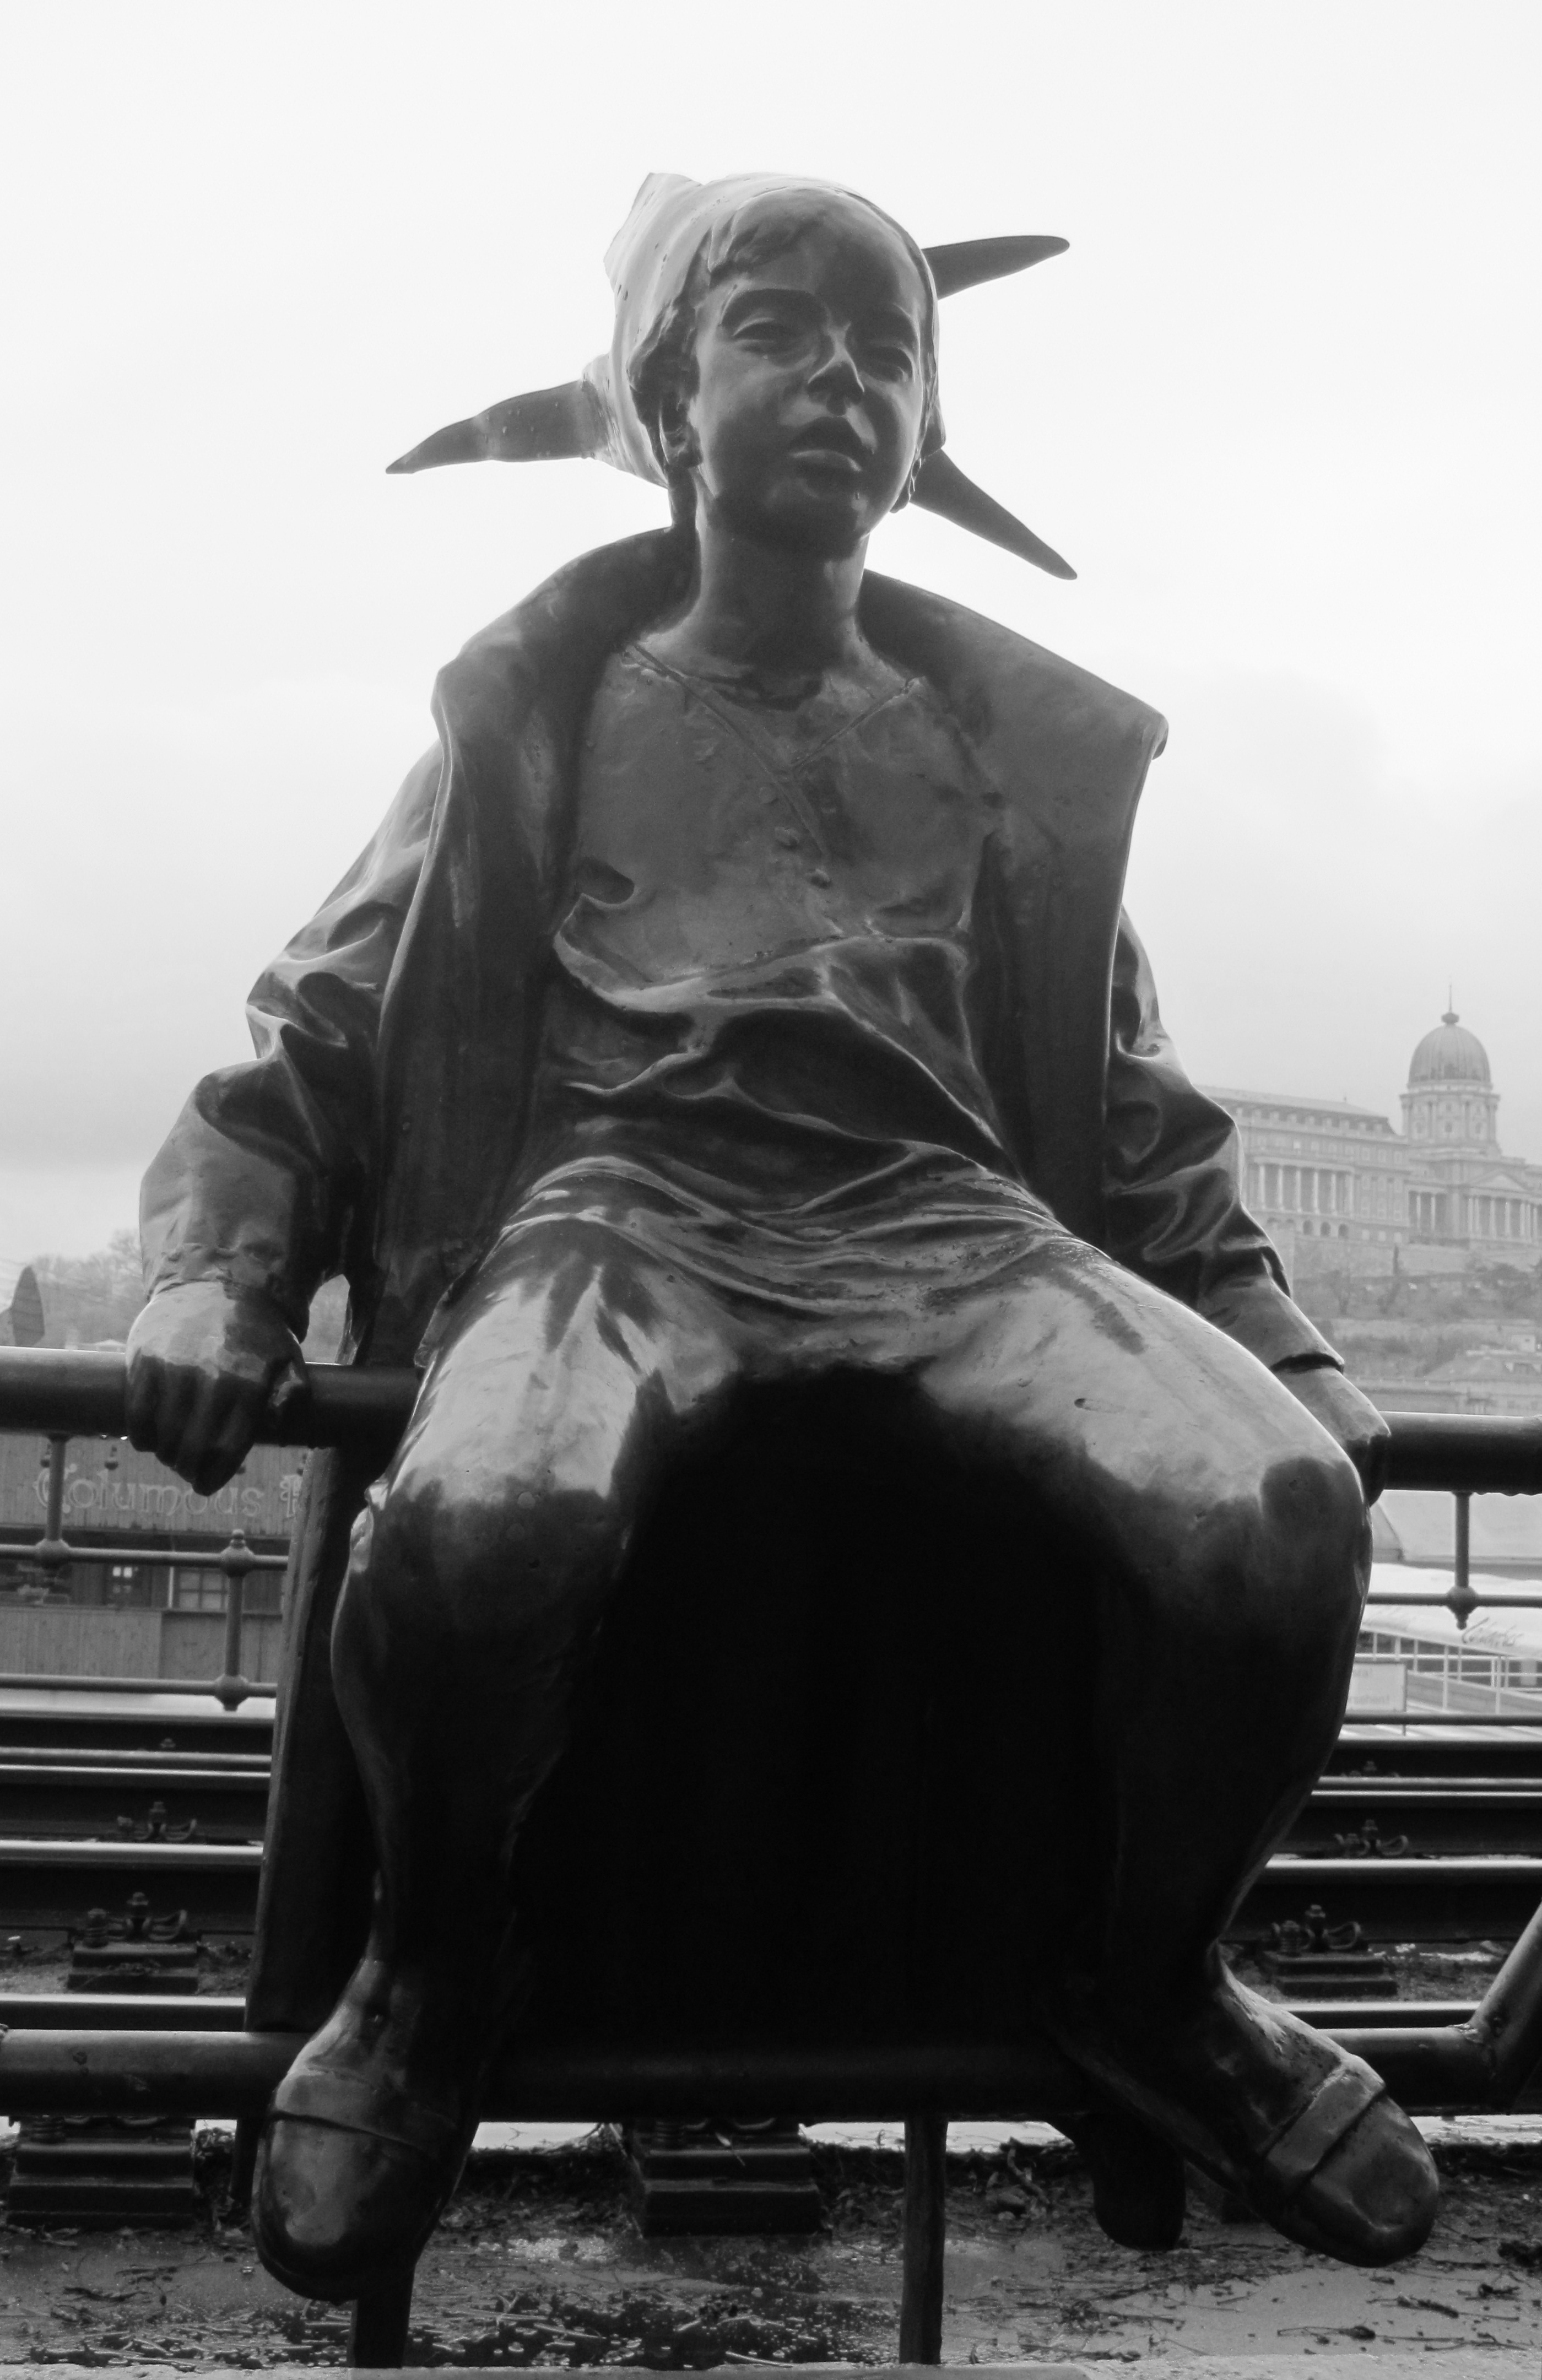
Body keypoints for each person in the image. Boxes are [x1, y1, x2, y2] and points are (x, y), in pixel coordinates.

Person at [126, 172, 1436, 2299]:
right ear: (667, 404)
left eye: (888, 348)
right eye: (779, 332)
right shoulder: (541, 715)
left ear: (926, 433)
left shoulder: (1007, 763)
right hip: (618, 1214)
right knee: (479, 1525)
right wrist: (222, 1264)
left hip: (952, 1233)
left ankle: (1153, 1983)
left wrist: (1266, 1329)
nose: (844, 381)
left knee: (1278, 1523)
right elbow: (317, 1035)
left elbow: (1134, 1103)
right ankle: (432, 1975)